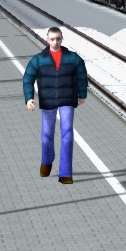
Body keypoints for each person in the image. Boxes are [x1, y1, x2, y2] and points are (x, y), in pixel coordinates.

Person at [24, 26, 88, 184]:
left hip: (67, 99)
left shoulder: (73, 58)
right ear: (47, 39)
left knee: (67, 134)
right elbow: (28, 78)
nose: (55, 42)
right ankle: (47, 161)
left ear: (62, 39)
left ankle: (65, 173)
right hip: (48, 100)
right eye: (52, 39)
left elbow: (82, 75)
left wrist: (82, 94)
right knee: (46, 136)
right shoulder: (39, 59)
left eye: (58, 39)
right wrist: (29, 97)